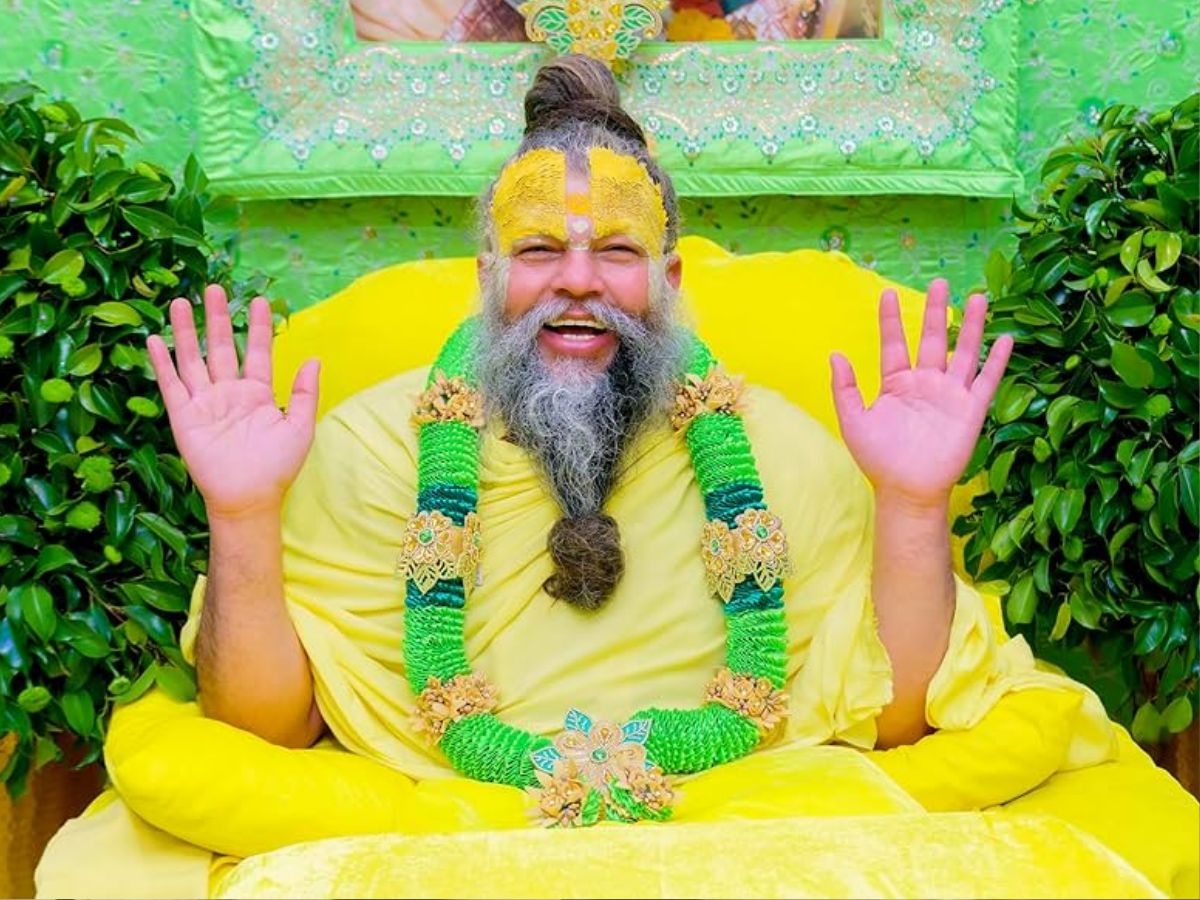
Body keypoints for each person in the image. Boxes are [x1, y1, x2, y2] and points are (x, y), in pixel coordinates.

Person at [36, 54, 1198, 898]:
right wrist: (241, 511)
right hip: (443, 822)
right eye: (541, 249)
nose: (579, 282)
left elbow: (893, 718)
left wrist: (913, 499)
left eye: (619, 253)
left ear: (672, 279)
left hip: (742, 821)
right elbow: (267, 731)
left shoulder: (778, 445)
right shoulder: (370, 444)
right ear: (488, 274)